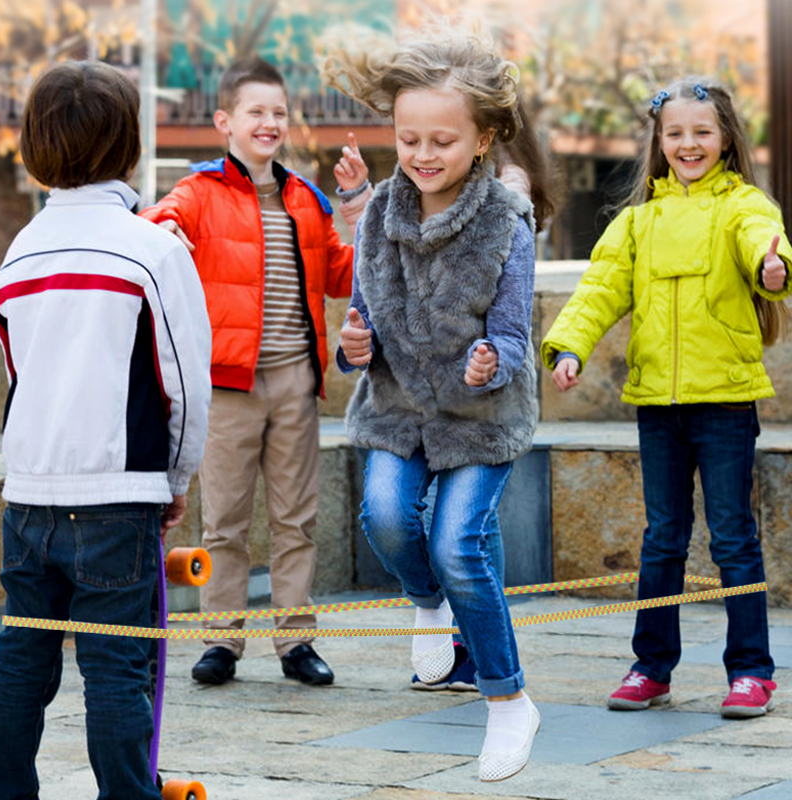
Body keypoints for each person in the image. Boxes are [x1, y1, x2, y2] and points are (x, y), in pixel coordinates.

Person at [322, 24, 542, 781]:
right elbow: (363, 319)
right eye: (409, 137)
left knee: (459, 542)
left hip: (480, 417)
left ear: (482, 140)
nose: (422, 154)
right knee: (385, 515)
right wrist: (356, 347)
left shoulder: (505, 224)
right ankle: (428, 603)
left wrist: (493, 360)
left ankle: (508, 700)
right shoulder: (380, 211)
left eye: (442, 141)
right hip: (396, 409)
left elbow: (515, 333)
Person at [0, 61, 211, 800]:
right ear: (130, 143)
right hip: (119, 494)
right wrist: (174, 483)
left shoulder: (16, 256)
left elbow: (23, 373)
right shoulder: (151, 248)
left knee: (21, 657)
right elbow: (185, 385)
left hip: (27, 492)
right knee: (116, 667)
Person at [541, 78, 790, 719]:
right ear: (659, 140)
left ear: (727, 138)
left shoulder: (743, 206)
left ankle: (752, 672)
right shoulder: (637, 223)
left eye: (702, 131)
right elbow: (598, 290)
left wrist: (774, 268)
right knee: (662, 540)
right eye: (675, 132)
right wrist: (568, 347)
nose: (688, 143)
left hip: (726, 404)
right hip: (658, 405)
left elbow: (763, 238)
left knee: (734, 538)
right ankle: (651, 667)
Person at [141, 55, 357, 687]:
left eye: (278, 113)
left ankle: (295, 643)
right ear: (225, 121)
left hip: (295, 381)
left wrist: (360, 208)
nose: (269, 123)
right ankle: (221, 642)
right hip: (228, 387)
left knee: (297, 520)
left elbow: (345, 274)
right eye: (255, 112)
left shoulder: (305, 197)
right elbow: (158, 224)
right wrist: (170, 233)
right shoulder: (201, 191)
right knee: (225, 521)